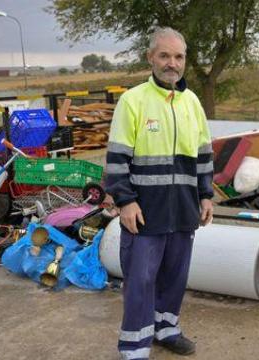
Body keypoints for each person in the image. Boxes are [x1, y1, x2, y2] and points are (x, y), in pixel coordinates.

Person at [104, 27, 214, 360]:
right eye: (164, 55)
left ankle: (166, 329)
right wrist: (125, 201)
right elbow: (117, 158)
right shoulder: (133, 100)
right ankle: (135, 347)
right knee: (140, 281)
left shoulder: (191, 102)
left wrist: (206, 195)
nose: (172, 63)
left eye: (178, 57)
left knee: (175, 276)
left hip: (183, 209)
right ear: (150, 57)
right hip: (144, 211)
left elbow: (204, 153)